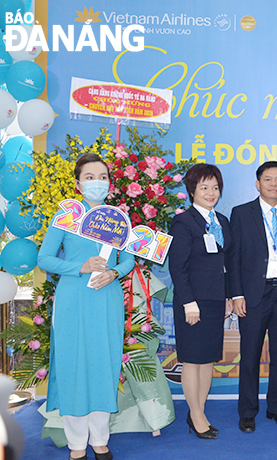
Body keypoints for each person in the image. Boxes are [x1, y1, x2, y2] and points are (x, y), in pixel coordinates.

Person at [37, 153, 135, 460]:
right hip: (73, 300)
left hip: (107, 299)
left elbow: (129, 258)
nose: (97, 182)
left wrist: (114, 272)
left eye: (103, 177)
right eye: (90, 177)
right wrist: (80, 265)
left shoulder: (118, 219)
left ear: (110, 182)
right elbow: (44, 259)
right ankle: (77, 444)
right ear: (79, 183)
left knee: (103, 365)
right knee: (74, 366)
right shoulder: (65, 217)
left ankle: (100, 439)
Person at [229, 161, 277, 433]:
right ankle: (247, 412)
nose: (273, 184)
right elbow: (233, 258)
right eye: (268, 179)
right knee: (250, 356)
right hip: (253, 294)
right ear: (257, 184)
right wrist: (236, 294)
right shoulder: (241, 213)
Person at [168, 163, 233, 440]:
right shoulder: (184, 222)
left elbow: (227, 262)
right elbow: (177, 267)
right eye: (204, 187)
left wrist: (228, 295)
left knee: (208, 360)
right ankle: (195, 415)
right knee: (192, 361)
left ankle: (199, 410)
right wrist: (188, 302)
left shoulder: (222, 221)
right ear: (192, 190)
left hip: (216, 300)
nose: (210, 192)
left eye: (215, 187)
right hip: (192, 302)